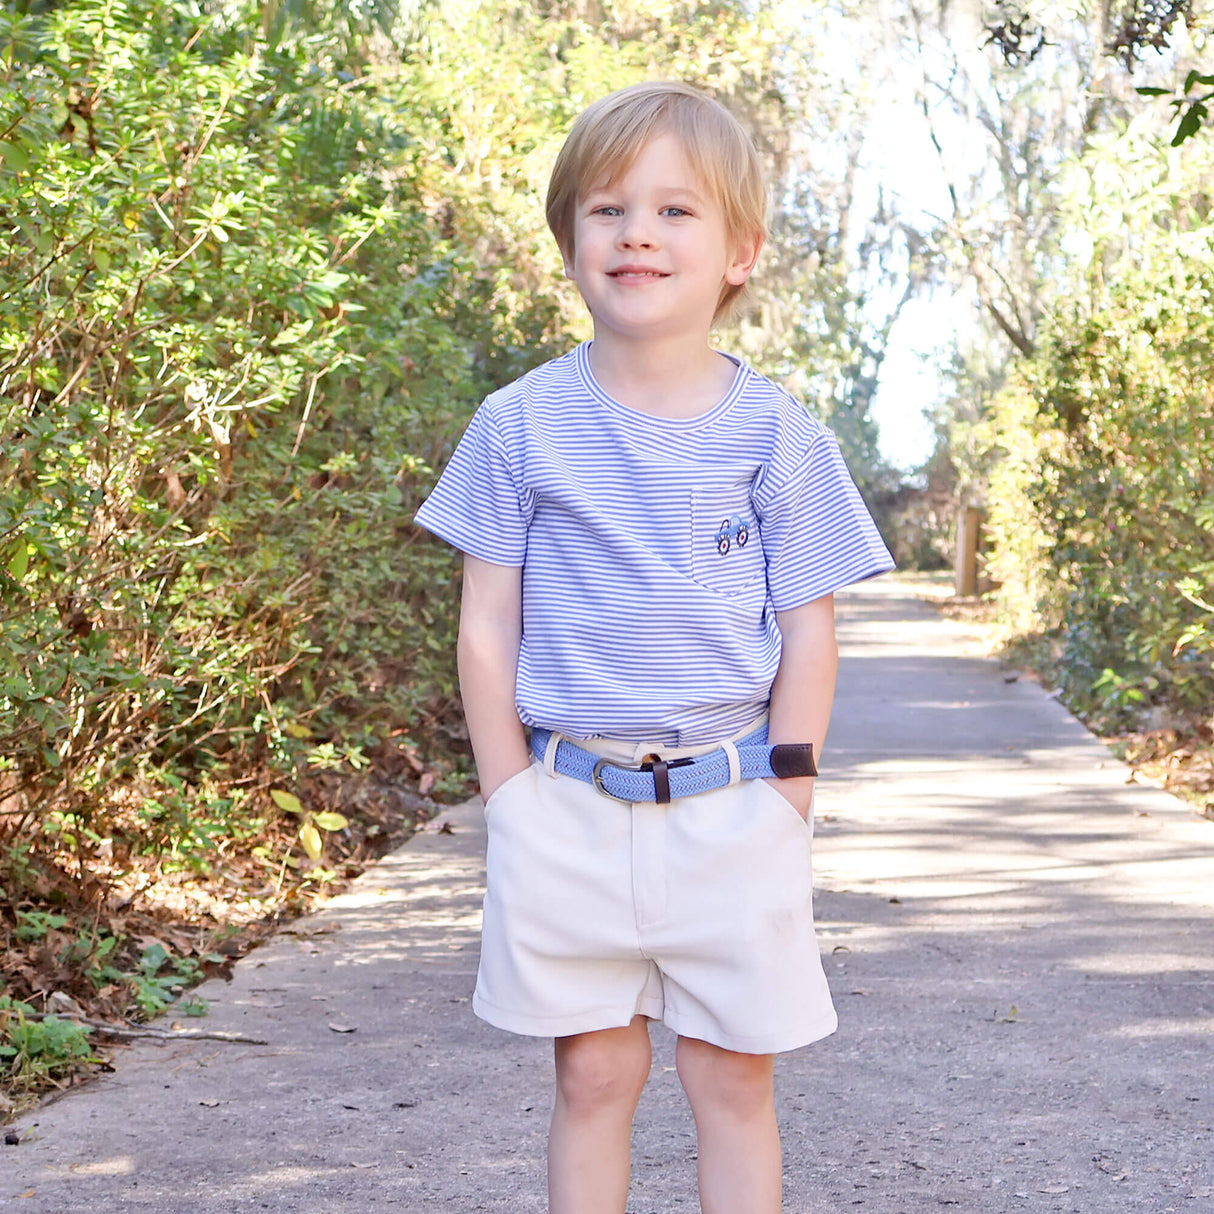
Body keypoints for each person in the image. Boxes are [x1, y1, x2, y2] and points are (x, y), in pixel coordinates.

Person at [414, 80, 894, 1214]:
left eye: (676, 211)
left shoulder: (779, 434)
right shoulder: (518, 424)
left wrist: (789, 787)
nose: (637, 230)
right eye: (606, 208)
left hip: (733, 801)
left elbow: (805, 622)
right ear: (568, 241)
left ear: (738, 253)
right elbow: (487, 619)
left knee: (730, 1075)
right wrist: (507, 791)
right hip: (567, 802)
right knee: (592, 1067)